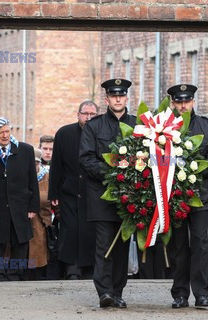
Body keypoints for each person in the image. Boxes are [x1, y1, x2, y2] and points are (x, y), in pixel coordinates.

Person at [166, 84, 208, 308]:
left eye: (187, 101)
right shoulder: (164, 126)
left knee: (201, 245)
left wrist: (195, 170)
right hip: (174, 196)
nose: (183, 105)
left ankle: (201, 293)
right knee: (179, 245)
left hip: (201, 194)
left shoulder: (205, 125)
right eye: (179, 101)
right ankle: (180, 294)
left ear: (193, 102)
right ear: (173, 102)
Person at [79, 79, 136, 308]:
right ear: (107, 99)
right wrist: (113, 173)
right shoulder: (94, 127)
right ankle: (104, 292)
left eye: (121, 95)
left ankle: (117, 291)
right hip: (102, 196)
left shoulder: (137, 126)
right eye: (114, 96)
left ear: (127, 98)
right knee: (104, 245)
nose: (118, 99)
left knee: (122, 247)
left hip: (130, 198)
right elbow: (86, 159)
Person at [0, 117, 40, 281]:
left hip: (20, 206)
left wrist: (32, 207)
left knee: (20, 242)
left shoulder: (25, 150)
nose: (5, 135)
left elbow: (32, 182)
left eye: (7, 131)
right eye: (1, 133)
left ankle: (16, 275)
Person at [48, 100, 99, 280]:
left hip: (92, 193)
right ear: (78, 114)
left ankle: (90, 269)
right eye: (85, 114)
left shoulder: (99, 133)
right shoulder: (64, 133)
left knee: (90, 231)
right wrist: (53, 192)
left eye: (92, 114)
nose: (88, 118)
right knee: (70, 231)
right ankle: (72, 270)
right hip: (69, 192)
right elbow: (56, 165)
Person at [27, 148, 49, 280]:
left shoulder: (47, 177)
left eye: (35, 163)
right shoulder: (23, 177)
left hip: (41, 223)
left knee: (38, 255)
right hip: (24, 223)